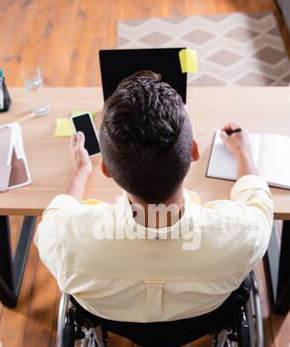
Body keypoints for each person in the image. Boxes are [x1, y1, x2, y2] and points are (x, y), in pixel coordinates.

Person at [35, 71, 274, 323]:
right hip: (204, 317)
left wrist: (81, 171)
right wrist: (243, 152)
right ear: (193, 151)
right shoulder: (243, 232)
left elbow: (57, 214)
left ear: (106, 170)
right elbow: (257, 201)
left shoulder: (62, 240)